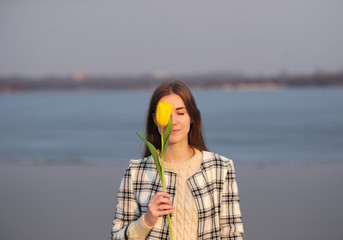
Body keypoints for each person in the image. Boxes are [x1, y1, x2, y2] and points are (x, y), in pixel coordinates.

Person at [112, 80, 244, 239]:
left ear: (192, 117)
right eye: (166, 114)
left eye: (181, 113)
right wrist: (146, 220)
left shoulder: (221, 168)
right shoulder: (136, 172)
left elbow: (232, 233)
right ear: (155, 119)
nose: (173, 121)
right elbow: (117, 236)